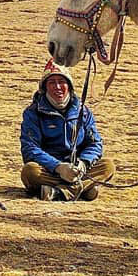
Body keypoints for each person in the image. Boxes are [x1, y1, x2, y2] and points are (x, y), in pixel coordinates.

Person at [20, 62, 114, 201]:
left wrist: (83, 163)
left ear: (69, 86)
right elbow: (30, 149)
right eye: (52, 82)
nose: (57, 87)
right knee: (30, 171)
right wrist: (58, 167)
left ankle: (59, 193)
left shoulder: (83, 111)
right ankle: (83, 189)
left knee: (108, 166)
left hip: (78, 170)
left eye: (61, 82)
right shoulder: (33, 113)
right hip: (49, 170)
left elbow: (95, 143)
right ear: (44, 88)